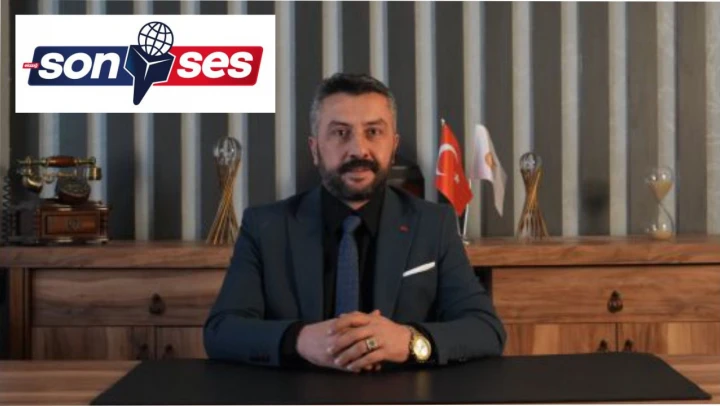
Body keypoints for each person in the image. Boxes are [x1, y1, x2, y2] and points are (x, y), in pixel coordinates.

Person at [203, 73, 506, 373]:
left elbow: (486, 329)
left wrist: (409, 340)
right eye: (340, 133)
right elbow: (221, 331)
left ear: (393, 145)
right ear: (314, 148)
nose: (359, 150)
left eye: (373, 132)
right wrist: (299, 339)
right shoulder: (264, 227)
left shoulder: (433, 225)